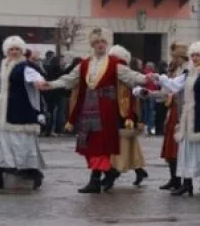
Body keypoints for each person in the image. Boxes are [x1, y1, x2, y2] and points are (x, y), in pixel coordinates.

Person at [43, 28, 152, 194]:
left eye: (102, 42)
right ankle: (109, 172)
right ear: (92, 45)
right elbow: (69, 79)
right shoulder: (85, 64)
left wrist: (146, 78)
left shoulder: (114, 63)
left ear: (106, 44)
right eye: (97, 42)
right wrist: (50, 84)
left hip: (107, 108)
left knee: (100, 145)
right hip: (89, 108)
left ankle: (95, 180)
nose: (100, 45)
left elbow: (130, 76)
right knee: (88, 145)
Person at [155, 41, 200, 197]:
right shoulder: (188, 73)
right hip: (188, 117)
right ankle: (187, 184)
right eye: (193, 55)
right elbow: (174, 85)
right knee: (186, 151)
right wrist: (159, 78)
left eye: (198, 55)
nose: (195, 58)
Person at [0, 36, 46, 190]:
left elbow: (34, 76)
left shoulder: (24, 66)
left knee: (21, 144)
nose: (14, 52)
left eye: (17, 49)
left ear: (21, 51)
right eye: (11, 49)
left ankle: (33, 173)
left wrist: (38, 82)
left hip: (19, 110)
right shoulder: (3, 66)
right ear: (6, 51)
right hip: (2, 111)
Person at [108, 45, 149, 187]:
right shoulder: (113, 70)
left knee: (120, 144)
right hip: (120, 111)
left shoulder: (121, 70)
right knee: (130, 145)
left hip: (123, 113)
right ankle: (139, 170)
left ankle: (113, 173)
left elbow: (133, 93)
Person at [156, 43, 188, 190]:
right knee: (170, 146)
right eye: (173, 57)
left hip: (181, 110)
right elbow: (166, 90)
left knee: (178, 147)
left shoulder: (186, 70)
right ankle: (173, 178)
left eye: (176, 57)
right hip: (172, 109)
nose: (174, 60)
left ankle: (182, 180)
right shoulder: (173, 70)